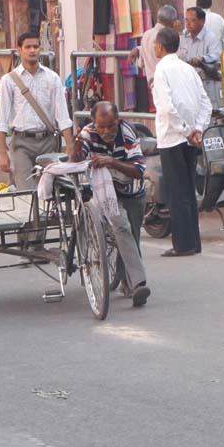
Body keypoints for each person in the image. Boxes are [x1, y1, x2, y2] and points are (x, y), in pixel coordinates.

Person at [72, 101, 151, 307]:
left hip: (133, 192)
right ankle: (138, 284)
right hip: (106, 194)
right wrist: (77, 146)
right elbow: (75, 162)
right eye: (101, 127)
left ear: (118, 121)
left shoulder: (127, 133)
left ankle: (127, 278)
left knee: (131, 236)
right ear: (94, 123)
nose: (106, 131)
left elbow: (138, 170)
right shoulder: (88, 133)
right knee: (121, 227)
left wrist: (111, 161)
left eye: (110, 126)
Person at [152, 27, 212, 257]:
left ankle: (183, 243)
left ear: (160, 46)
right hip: (189, 137)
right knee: (187, 188)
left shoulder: (162, 70)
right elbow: (205, 103)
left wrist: (188, 131)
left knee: (178, 192)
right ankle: (192, 241)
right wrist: (197, 129)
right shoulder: (188, 69)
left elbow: (167, 107)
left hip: (173, 137)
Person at [0, 32, 73, 190]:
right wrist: (3, 155)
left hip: (48, 141)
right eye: (28, 47)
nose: (32, 50)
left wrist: (70, 146)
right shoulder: (8, 80)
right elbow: (2, 120)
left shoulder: (52, 78)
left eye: (35, 47)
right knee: (27, 192)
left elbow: (62, 116)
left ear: (40, 49)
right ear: (19, 50)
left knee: (51, 191)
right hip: (21, 143)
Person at [179, 6, 223, 109]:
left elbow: (216, 55)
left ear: (202, 21)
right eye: (186, 20)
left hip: (205, 83)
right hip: (187, 82)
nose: (188, 23)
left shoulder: (210, 37)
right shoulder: (184, 37)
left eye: (192, 20)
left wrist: (202, 58)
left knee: (207, 111)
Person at [129, 5, 178, 84]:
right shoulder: (168, 37)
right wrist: (179, 34)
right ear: (173, 22)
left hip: (152, 83)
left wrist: (138, 49)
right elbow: (180, 57)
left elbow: (141, 63)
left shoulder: (146, 35)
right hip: (168, 82)